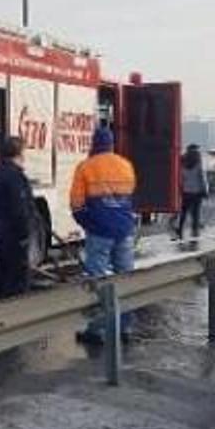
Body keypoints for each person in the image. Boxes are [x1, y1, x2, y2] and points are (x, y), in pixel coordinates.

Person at [71, 128, 137, 341]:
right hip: (124, 229)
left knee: (97, 279)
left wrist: (90, 224)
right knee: (125, 277)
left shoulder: (86, 167)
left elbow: (76, 205)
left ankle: (97, 329)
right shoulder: (125, 165)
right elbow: (130, 199)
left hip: (99, 231)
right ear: (111, 144)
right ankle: (125, 328)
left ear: (94, 144)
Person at [0, 137, 36, 298]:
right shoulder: (15, 177)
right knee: (17, 280)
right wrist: (24, 235)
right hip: (12, 235)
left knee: (0, 277)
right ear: (19, 153)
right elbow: (19, 209)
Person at [176, 144, 210, 240]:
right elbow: (203, 178)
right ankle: (194, 230)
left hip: (186, 190)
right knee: (195, 212)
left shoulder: (182, 161)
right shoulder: (198, 162)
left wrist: (180, 187)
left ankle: (180, 228)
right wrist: (206, 190)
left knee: (184, 210)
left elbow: (180, 177)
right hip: (197, 191)